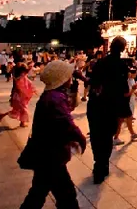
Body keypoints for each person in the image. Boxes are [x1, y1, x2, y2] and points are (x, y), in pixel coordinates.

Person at [19, 60, 87, 209]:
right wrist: (80, 139)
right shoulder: (55, 99)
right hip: (50, 155)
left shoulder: (53, 95)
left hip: (46, 153)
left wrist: (74, 88)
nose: (71, 77)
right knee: (65, 194)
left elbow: (69, 109)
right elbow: (66, 122)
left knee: (39, 192)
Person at [86, 37, 129, 184]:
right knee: (107, 136)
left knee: (96, 135)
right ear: (123, 49)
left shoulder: (101, 63)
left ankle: (98, 163)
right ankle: (102, 164)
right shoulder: (122, 65)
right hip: (112, 105)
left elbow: (92, 82)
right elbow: (124, 88)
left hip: (96, 104)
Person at [114, 68, 137, 145]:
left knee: (128, 118)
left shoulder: (121, 81)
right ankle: (116, 138)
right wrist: (133, 89)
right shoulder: (123, 82)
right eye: (128, 73)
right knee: (120, 121)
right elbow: (126, 94)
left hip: (123, 103)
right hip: (122, 103)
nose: (130, 74)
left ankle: (132, 134)